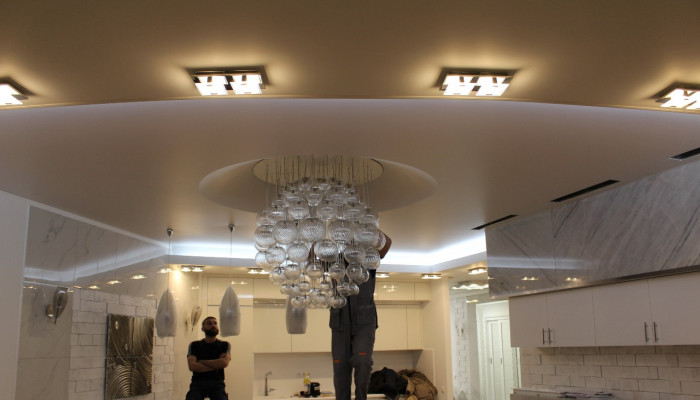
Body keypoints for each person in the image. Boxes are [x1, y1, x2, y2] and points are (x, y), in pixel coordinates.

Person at [330, 233, 392, 400]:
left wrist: (368, 229)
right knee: (340, 368)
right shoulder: (333, 259)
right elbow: (310, 258)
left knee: (362, 361)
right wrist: (319, 235)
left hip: (365, 320)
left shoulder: (367, 259)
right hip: (339, 320)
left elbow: (387, 245)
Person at [185, 316, 232, 400]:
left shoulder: (224, 345)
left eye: (215, 323)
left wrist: (201, 362)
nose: (213, 325)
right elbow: (192, 366)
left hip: (217, 384)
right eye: (209, 323)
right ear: (202, 329)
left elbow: (224, 363)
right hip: (198, 383)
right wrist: (217, 365)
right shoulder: (194, 345)